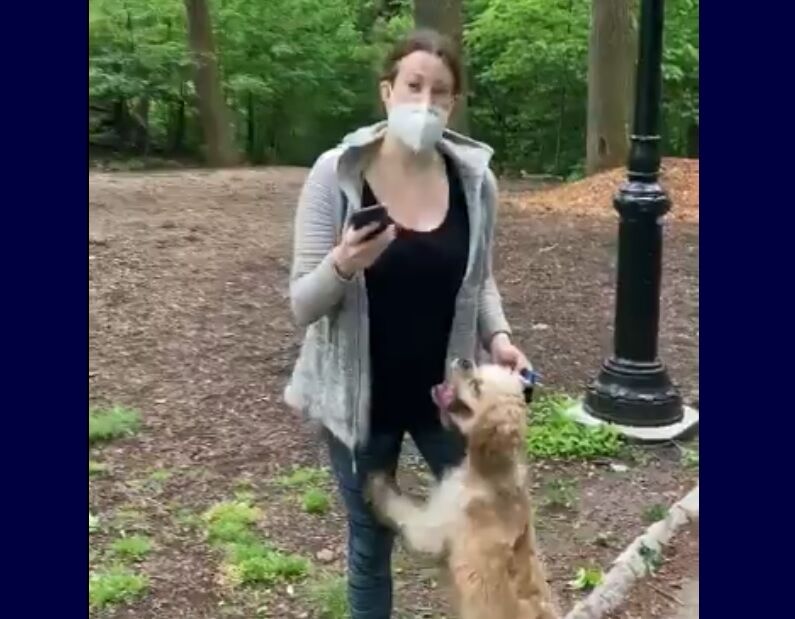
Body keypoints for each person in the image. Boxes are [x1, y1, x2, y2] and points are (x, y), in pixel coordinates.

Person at [285, 28, 530, 619]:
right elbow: (301, 305)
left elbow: (480, 277)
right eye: (413, 86)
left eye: (440, 92)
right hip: (358, 401)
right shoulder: (336, 175)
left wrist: (497, 338)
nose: (425, 103)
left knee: (482, 534)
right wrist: (343, 264)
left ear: (453, 103)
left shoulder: (475, 180)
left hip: (448, 396)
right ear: (387, 91)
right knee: (371, 544)